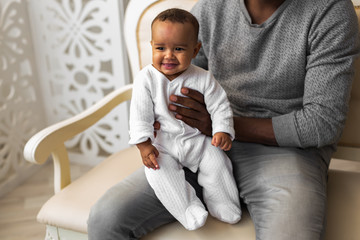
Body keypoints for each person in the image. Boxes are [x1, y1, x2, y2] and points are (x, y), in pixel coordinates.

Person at [88, 0, 359, 239]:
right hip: (198, 142)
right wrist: (163, 113)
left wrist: (221, 125)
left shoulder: (330, 10)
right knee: (106, 218)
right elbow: (184, 80)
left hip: (286, 152)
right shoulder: (210, 8)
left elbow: (321, 124)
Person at [128, 8, 241, 230]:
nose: (168, 55)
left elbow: (220, 105)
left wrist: (222, 130)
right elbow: (139, 114)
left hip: (197, 140)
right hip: (163, 145)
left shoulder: (203, 78)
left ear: (195, 49)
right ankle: (188, 209)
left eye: (178, 49)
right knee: (159, 173)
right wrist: (144, 145)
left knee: (218, 162)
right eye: (161, 48)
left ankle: (223, 203)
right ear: (151, 46)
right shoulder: (146, 79)